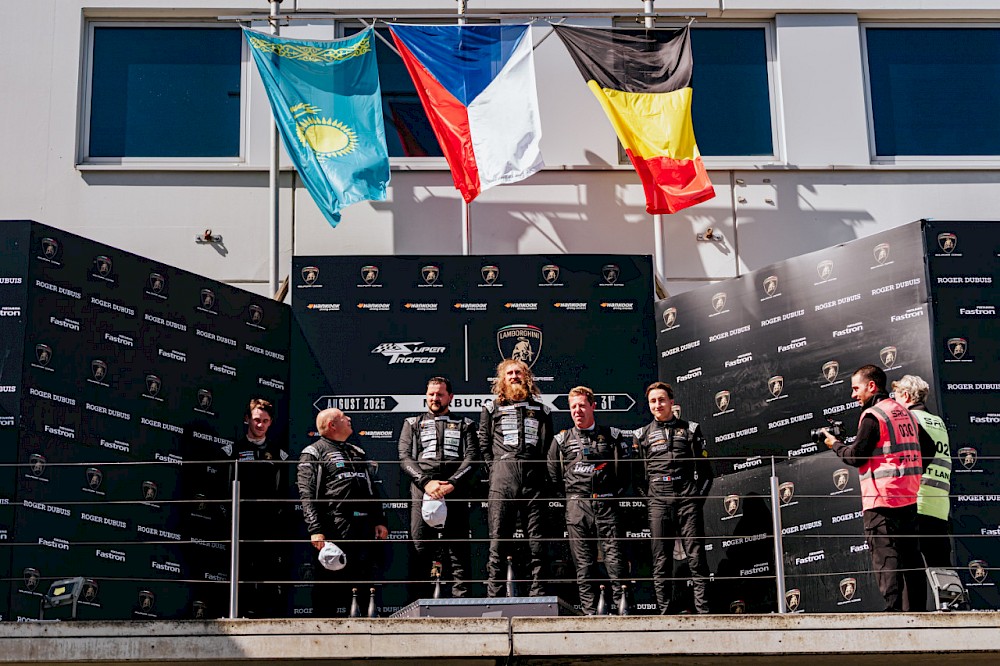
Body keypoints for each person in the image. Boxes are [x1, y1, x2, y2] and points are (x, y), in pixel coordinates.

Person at [824, 364, 925, 611]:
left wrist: (834, 444)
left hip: (881, 499)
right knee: (911, 557)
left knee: (886, 556)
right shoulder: (905, 412)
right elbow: (928, 448)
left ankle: (893, 612)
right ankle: (919, 613)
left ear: (871, 386)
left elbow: (856, 456)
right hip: (908, 496)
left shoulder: (874, 415)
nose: (853, 395)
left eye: (855, 388)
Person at [547, 386, 632, 614]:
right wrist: (573, 497)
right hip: (577, 506)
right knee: (583, 564)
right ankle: (590, 613)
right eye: (573, 407)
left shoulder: (612, 436)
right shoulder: (561, 440)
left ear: (593, 406)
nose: (577, 411)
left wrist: (609, 494)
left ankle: (623, 611)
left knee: (615, 560)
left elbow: (625, 474)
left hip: (606, 504)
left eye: (582, 406)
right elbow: (554, 477)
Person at [297, 408, 388, 617]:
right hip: (334, 527)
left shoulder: (357, 452)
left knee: (364, 581)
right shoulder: (313, 452)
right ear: (332, 425)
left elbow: (371, 489)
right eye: (343, 417)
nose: (349, 419)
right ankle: (323, 630)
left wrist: (379, 519)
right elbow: (307, 495)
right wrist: (315, 529)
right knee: (328, 585)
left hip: (364, 527)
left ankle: (365, 628)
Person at [634, 382, 713, 614]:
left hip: (687, 499)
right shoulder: (641, 435)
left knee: (696, 557)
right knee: (661, 560)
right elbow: (637, 479)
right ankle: (665, 614)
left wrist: (695, 500)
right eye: (653, 401)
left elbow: (706, 474)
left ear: (671, 402)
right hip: (658, 502)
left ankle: (704, 612)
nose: (657, 405)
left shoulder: (691, 429)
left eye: (661, 400)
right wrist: (652, 501)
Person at [478, 358, 554, 597]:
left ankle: (538, 593)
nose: (514, 377)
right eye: (509, 373)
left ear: (527, 378)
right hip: (503, 476)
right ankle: (495, 595)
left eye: (518, 373)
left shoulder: (542, 410)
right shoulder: (491, 409)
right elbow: (484, 445)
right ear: (502, 379)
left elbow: (546, 447)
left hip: (533, 477)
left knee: (537, 540)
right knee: (498, 539)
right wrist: (496, 469)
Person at [398, 377, 478, 598]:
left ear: (450, 397)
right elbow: (404, 457)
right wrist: (426, 482)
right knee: (420, 547)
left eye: (440, 394)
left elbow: (472, 457)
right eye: (431, 394)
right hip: (422, 489)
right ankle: (418, 603)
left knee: (458, 550)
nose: (435, 398)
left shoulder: (465, 424)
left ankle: (462, 602)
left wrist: (453, 483)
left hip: (454, 489)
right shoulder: (412, 423)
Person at [233, 398, 290, 618]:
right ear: (247, 419)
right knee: (242, 571)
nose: (260, 425)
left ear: (270, 423)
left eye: (265, 421)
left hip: (270, 525)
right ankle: (241, 614)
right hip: (241, 524)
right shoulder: (233, 450)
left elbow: (283, 492)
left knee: (269, 571)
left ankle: (267, 616)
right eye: (256, 420)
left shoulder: (279, 454)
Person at [892, 374, 953, 568]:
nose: (894, 403)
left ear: (906, 396)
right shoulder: (938, 421)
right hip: (940, 506)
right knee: (942, 569)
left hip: (917, 503)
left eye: (896, 397)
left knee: (909, 569)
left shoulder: (908, 419)